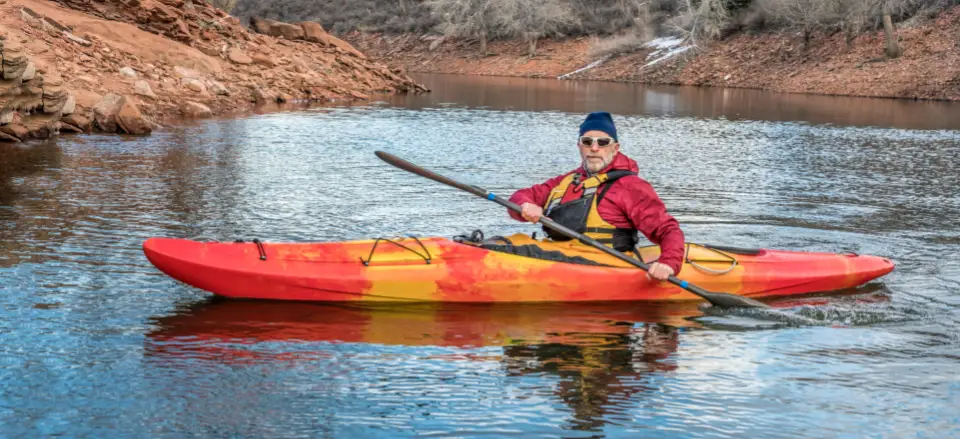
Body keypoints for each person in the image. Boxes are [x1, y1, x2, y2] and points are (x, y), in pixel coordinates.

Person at [507, 112, 685, 281]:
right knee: (504, 243)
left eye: (602, 142)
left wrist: (669, 263)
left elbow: (668, 229)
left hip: (604, 263)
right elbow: (521, 196)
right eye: (587, 141)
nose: (594, 148)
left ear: (615, 148)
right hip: (561, 254)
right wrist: (525, 205)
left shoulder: (631, 187)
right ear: (579, 146)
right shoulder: (566, 181)